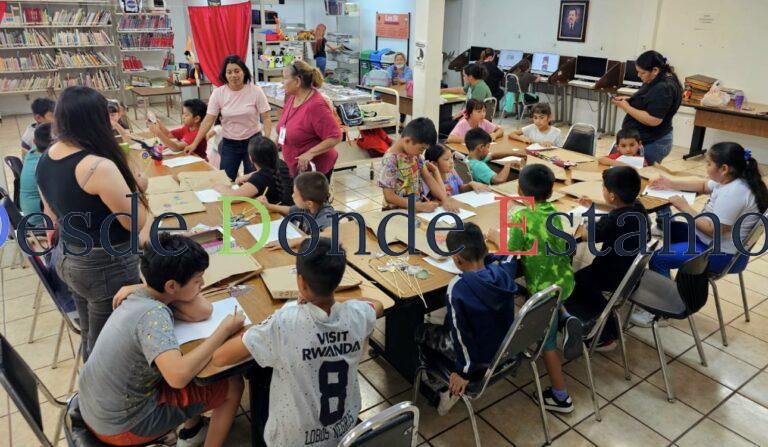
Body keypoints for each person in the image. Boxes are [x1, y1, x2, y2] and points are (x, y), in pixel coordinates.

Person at [212, 238, 383, 447]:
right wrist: (340, 305)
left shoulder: (284, 322)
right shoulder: (357, 314)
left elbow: (220, 358)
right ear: (338, 281)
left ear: (301, 282)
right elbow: (378, 306)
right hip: (344, 431)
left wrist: (234, 328)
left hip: (294, 439)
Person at [78, 235, 244, 446]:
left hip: (98, 406)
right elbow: (178, 377)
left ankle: (192, 430)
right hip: (124, 425)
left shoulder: (141, 296)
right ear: (172, 286)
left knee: (184, 362)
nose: (203, 283)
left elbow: (203, 311)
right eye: (197, 280)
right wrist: (223, 331)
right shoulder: (153, 315)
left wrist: (137, 287)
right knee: (232, 385)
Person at [37, 86, 148, 360]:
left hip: (69, 255)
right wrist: (138, 189)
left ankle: (90, 383)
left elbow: (51, 214)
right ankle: (95, 397)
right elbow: (136, 223)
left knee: (91, 332)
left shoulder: (46, 157)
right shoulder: (96, 166)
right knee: (107, 346)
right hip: (105, 265)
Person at [632, 142, 768, 326]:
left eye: (709, 164)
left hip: (720, 253)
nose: (706, 167)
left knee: (658, 258)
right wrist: (670, 183)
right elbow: (704, 185)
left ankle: (661, 313)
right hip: (712, 241)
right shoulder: (734, 178)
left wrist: (686, 208)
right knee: (667, 231)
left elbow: (715, 231)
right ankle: (665, 283)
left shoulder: (734, 192)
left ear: (724, 168)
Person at [489, 164, 580, 413]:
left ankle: (561, 397)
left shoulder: (521, 217)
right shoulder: (556, 214)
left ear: (519, 190)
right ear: (551, 193)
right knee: (558, 299)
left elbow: (510, 251)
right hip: (565, 282)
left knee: (548, 345)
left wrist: (497, 237)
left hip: (544, 294)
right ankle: (565, 316)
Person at [415, 223, 518, 415]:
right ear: (484, 249)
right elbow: (511, 255)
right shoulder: (503, 274)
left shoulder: (458, 288)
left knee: (422, 331)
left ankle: (443, 388)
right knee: (452, 320)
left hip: (478, 359)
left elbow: (462, 336)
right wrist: (491, 253)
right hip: (504, 347)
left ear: (457, 259)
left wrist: (464, 372)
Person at [568, 167, 650, 349]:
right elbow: (614, 209)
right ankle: (608, 327)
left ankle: (604, 334)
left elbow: (586, 235)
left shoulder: (613, 221)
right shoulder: (638, 207)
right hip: (631, 273)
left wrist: (584, 219)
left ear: (612, 196)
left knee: (574, 283)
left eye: (603, 189)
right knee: (581, 279)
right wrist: (594, 205)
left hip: (611, 276)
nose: (602, 191)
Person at [186, 55, 272, 181]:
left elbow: (266, 117)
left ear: (244, 72)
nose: (233, 75)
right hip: (229, 143)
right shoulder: (218, 93)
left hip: (253, 141)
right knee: (226, 179)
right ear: (224, 74)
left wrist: (266, 140)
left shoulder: (256, 91)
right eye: (229, 72)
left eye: (237, 71)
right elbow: (209, 119)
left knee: (253, 179)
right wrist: (195, 143)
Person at [612, 51, 682, 165]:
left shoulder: (664, 87)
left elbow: (654, 120)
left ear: (655, 70)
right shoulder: (656, 78)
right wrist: (630, 99)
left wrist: (627, 107)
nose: (639, 76)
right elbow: (648, 99)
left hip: (653, 141)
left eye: (642, 73)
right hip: (647, 138)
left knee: (643, 175)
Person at [276, 60, 342, 180]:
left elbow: (336, 136)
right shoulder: (292, 97)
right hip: (295, 166)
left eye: (284, 78)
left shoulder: (316, 105)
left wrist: (310, 153)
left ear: (297, 82)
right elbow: (285, 125)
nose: (282, 82)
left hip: (314, 171)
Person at [377, 117, 459, 212]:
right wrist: (417, 206)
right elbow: (389, 196)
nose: (421, 153)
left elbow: (428, 177)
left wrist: (444, 199)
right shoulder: (390, 160)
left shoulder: (414, 155)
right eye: (421, 149)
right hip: (395, 213)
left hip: (416, 210)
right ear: (407, 141)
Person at [257, 171, 336, 250]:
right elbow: (290, 210)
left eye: (295, 193)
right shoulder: (307, 207)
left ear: (309, 203)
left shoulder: (325, 214)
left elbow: (331, 234)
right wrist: (269, 206)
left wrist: (292, 242)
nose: (292, 195)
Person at [214, 135, 290, 205]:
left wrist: (222, 188)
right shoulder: (280, 163)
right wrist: (249, 175)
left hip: (273, 215)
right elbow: (265, 173)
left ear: (250, 157)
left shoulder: (259, 178)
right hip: (286, 208)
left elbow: (233, 198)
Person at [424, 143, 490, 197]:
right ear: (434, 164)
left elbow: (461, 188)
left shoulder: (452, 171)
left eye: (451, 157)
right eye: (447, 159)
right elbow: (441, 198)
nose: (451, 161)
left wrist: (471, 185)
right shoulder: (430, 179)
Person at [19, 122, 51, 226]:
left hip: (30, 213)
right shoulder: (45, 164)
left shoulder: (32, 152)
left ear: (34, 142)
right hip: (40, 221)